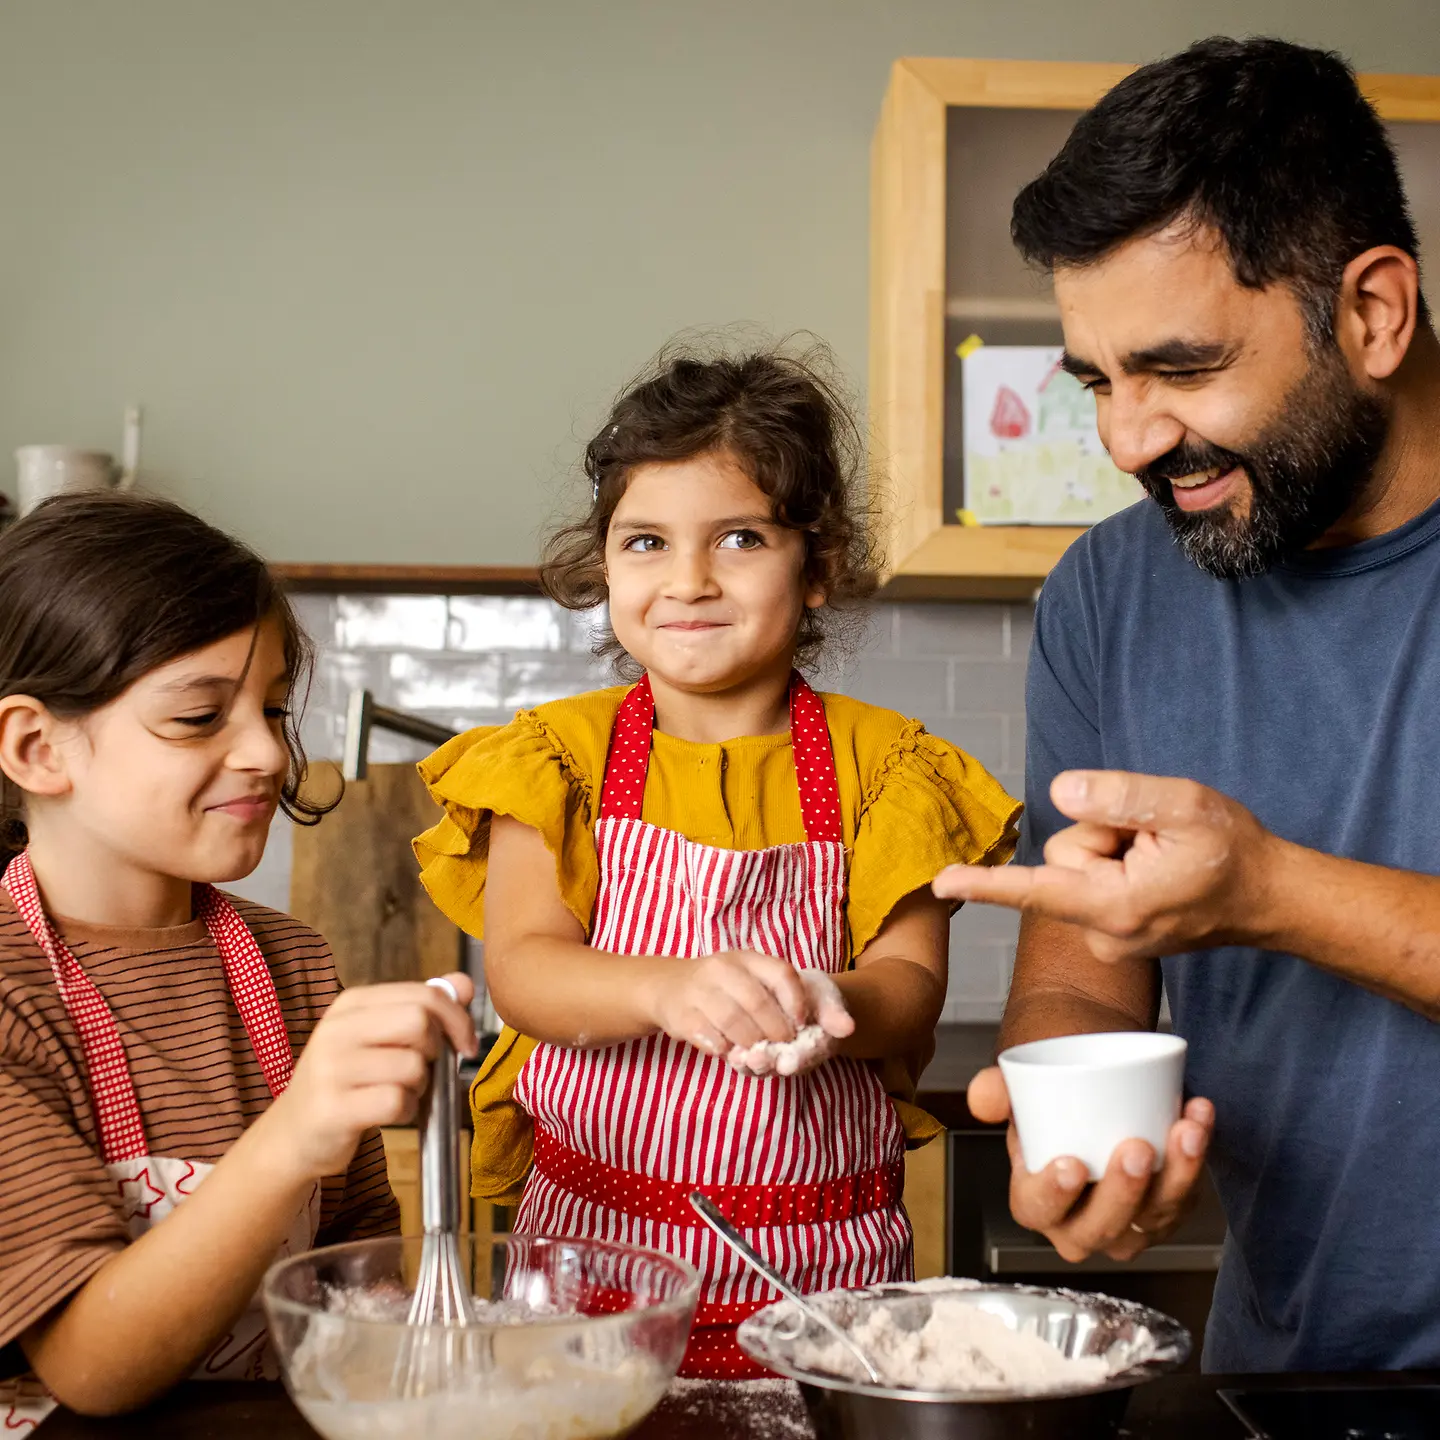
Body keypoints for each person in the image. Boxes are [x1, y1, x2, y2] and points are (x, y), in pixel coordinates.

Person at [933, 37, 1440, 1372]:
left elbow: (1246, 894)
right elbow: (1084, 959)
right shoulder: (1108, 594)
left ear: (1373, 314)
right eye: (1099, 380)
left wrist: (1267, 892)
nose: (1130, 440)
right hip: (1286, 1373)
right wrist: (1084, 1134)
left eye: (1183, 367)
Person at [414, 343, 1019, 1376]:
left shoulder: (891, 770)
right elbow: (523, 972)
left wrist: (823, 1004)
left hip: (823, 1279)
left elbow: (910, 992)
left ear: (817, 566)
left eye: (739, 537)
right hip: (588, 1273)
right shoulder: (558, 758)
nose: (687, 578)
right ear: (603, 563)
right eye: (645, 541)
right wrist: (668, 988)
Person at [0, 493, 477, 1421]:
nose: (265, 751)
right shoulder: (10, 993)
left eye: (268, 707)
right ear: (36, 746)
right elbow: (91, 1368)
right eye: (198, 718)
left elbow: (356, 1271)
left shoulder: (291, 965)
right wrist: (295, 1131)